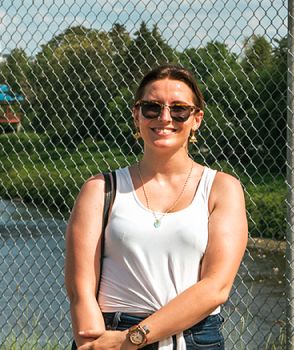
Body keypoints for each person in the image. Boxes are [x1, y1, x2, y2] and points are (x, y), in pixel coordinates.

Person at [64, 64, 250, 350]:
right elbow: (81, 290)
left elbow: (216, 287)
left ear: (196, 118)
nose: (165, 118)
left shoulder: (222, 189)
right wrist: (93, 341)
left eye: (179, 109)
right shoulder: (100, 189)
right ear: (136, 115)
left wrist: (134, 338)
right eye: (152, 107)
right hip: (110, 332)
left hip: (194, 338)